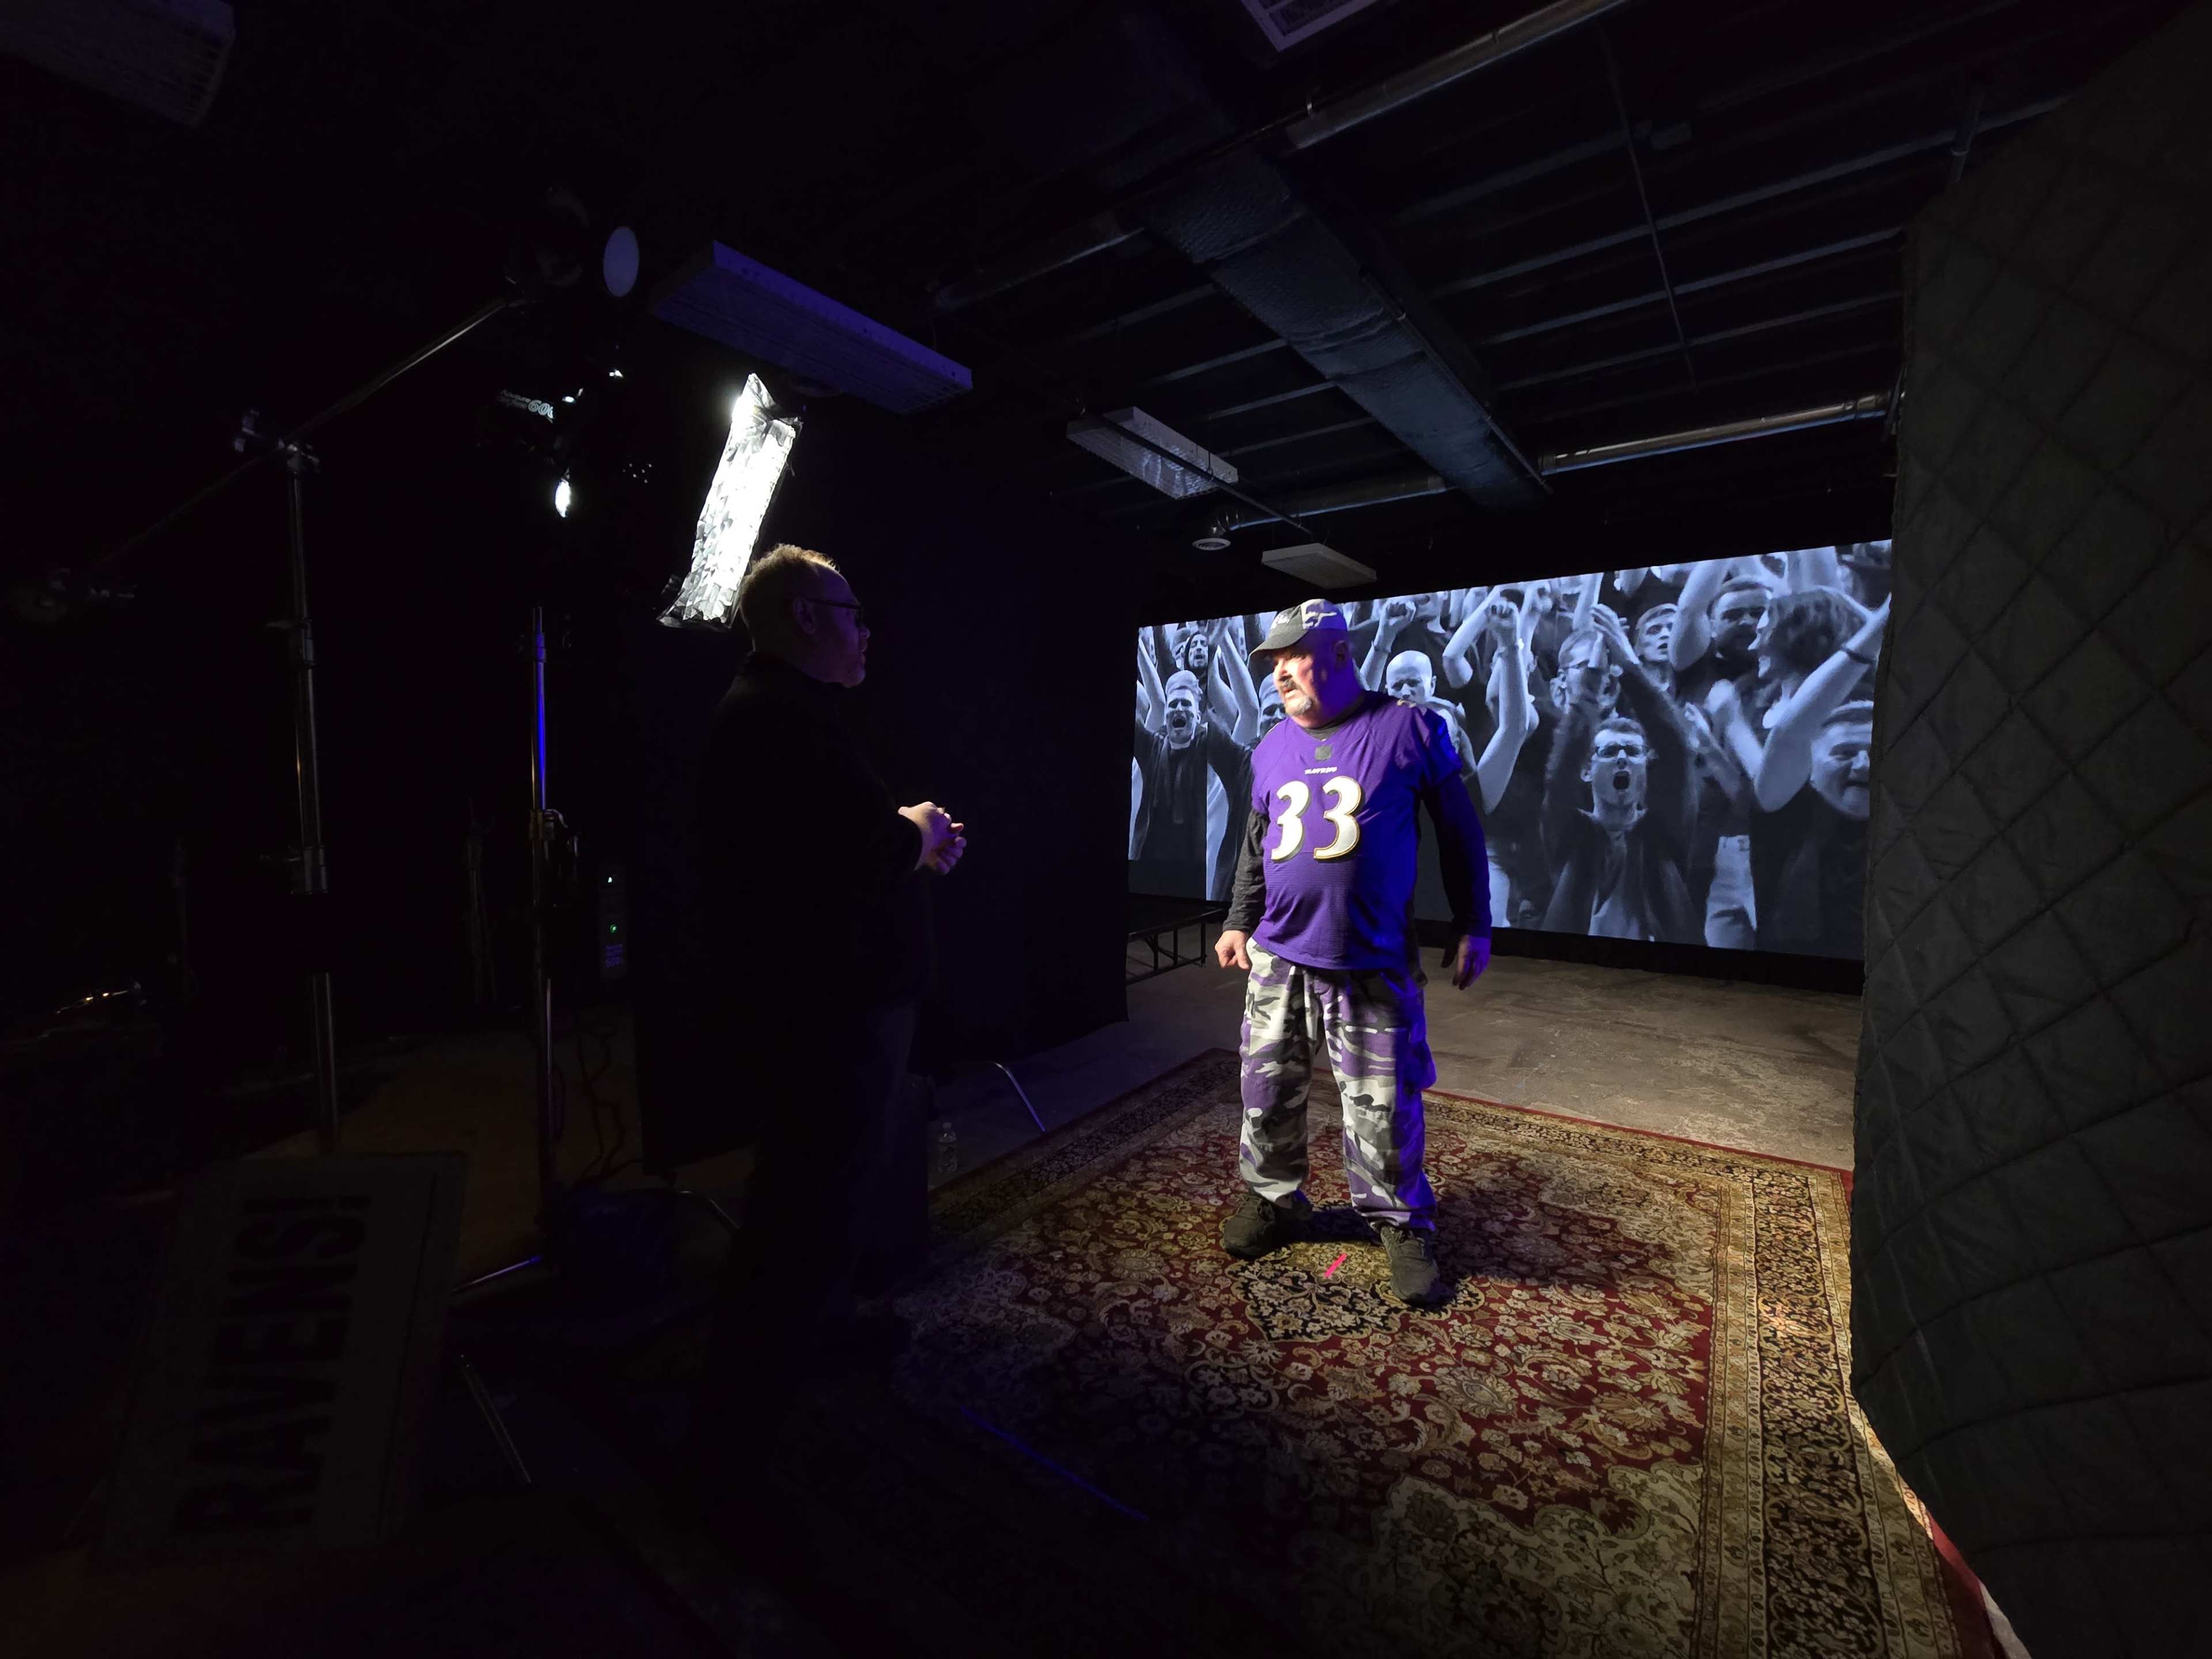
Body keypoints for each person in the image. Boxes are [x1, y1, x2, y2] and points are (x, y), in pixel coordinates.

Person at [692, 545, 967, 1459]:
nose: (866, 633)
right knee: (804, 1201)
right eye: (851, 613)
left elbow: (833, 849)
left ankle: (817, 1325)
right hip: (827, 1014)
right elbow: (820, 869)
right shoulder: (774, 720)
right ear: (805, 617)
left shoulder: (791, 714)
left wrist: (907, 841)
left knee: (825, 1190)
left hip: (844, 1004)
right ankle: (746, 1426)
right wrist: (912, 833)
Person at [1213, 599, 1492, 1309]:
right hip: (1279, 956)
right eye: (1272, 661)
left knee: (1383, 1104)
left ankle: (1399, 1221)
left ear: (1339, 653)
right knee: (1266, 1091)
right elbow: (1256, 844)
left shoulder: (1409, 728)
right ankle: (1274, 1199)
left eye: (1292, 656)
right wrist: (1240, 919)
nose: (1279, 672)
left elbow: (1459, 832)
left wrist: (1474, 923)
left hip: (1370, 960)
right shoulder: (1270, 744)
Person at [1539, 606, 1700, 942]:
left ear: (1648, 766)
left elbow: (1677, 750)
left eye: (1634, 751)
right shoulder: (1570, 831)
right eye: (1610, 752)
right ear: (1587, 771)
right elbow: (1563, 766)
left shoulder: (1664, 831)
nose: (1623, 758)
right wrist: (1593, 675)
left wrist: (1628, 665)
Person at [1747, 599, 1888, 957]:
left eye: (1877, 755)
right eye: (1843, 754)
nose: (1863, 765)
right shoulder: (1782, 806)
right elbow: (1787, 740)